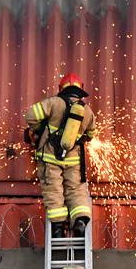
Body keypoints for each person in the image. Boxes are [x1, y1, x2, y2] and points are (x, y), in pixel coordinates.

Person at [24, 73, 96, 239]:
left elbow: (30, 116)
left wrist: (40, 128)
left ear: (60, 88)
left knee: (54, 190)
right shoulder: (87, 110)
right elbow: (91, 134)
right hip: (74, 161)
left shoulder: (54, 102)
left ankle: (57, 229)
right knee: (76, 189)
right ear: (81, 89)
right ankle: (80, 221)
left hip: (50, 159)